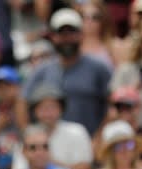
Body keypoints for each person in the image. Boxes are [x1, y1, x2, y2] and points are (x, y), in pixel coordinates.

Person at [22, 8, 112, 136]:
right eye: (61, 33)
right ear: (52, 36)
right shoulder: (42, 70)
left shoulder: (98, 67)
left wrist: (99, 139)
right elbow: (22, 100)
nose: (67, 38)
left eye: (72, 32)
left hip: (90, 144)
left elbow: (112, 105)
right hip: (49, 149)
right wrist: (30, 136)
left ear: (81, 34)